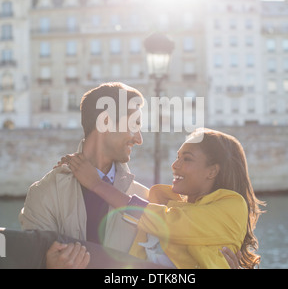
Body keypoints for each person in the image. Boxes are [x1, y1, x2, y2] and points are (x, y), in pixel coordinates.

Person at [63, 128, 264, 269]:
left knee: (50, 244)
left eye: (187, 159)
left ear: (212, 171)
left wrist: (97, 184)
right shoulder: (169, 202)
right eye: (178, 157)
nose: (174, 165)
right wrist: (79, 166)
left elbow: (168, 222)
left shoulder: (233, 206)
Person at [19, 82, 149, 253]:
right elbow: (32, 259)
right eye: (134, 125)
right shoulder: (44, 193)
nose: (139, 139)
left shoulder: (144, 197)